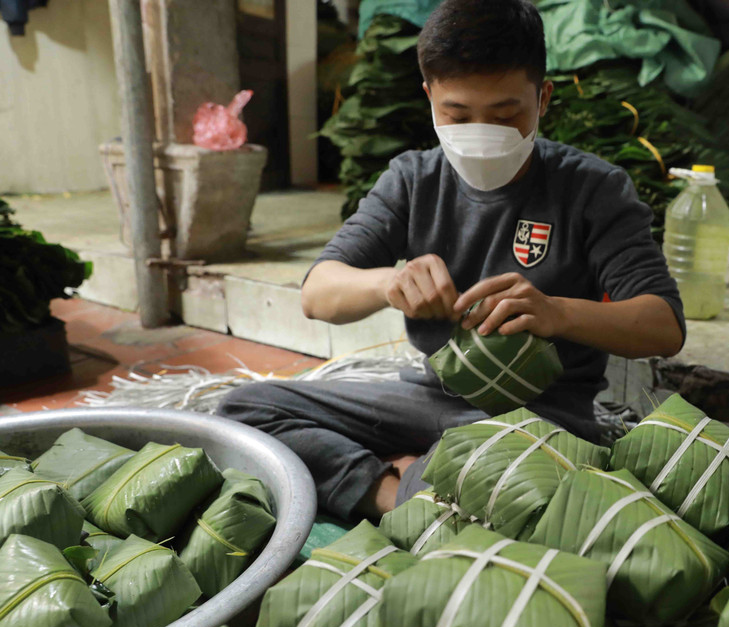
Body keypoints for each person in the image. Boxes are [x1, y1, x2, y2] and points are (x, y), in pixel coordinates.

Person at [217, 0, 685, 522]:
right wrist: (388, 283)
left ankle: (413, 484)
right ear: (429, 98)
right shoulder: (413, 180)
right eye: (457, 116)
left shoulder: (593, 189)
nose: (482, 133)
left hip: (538, 419)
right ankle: (390, 494)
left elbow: (663, 326)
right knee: (244, 410)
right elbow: (318, 292)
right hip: (430, 400)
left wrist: (558, 312)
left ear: (543, 98)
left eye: (506, 116)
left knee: (514, 486)